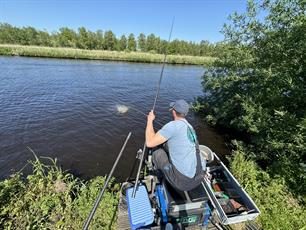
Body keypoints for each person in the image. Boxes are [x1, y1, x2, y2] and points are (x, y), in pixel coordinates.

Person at [146, 99, 206, 191]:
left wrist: (150, 120)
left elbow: (149, 143)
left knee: (157, 153)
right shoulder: (190, 127)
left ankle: (159, 174)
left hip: (183, 183)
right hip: (200, 176)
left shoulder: (173, 126)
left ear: (173, 111)